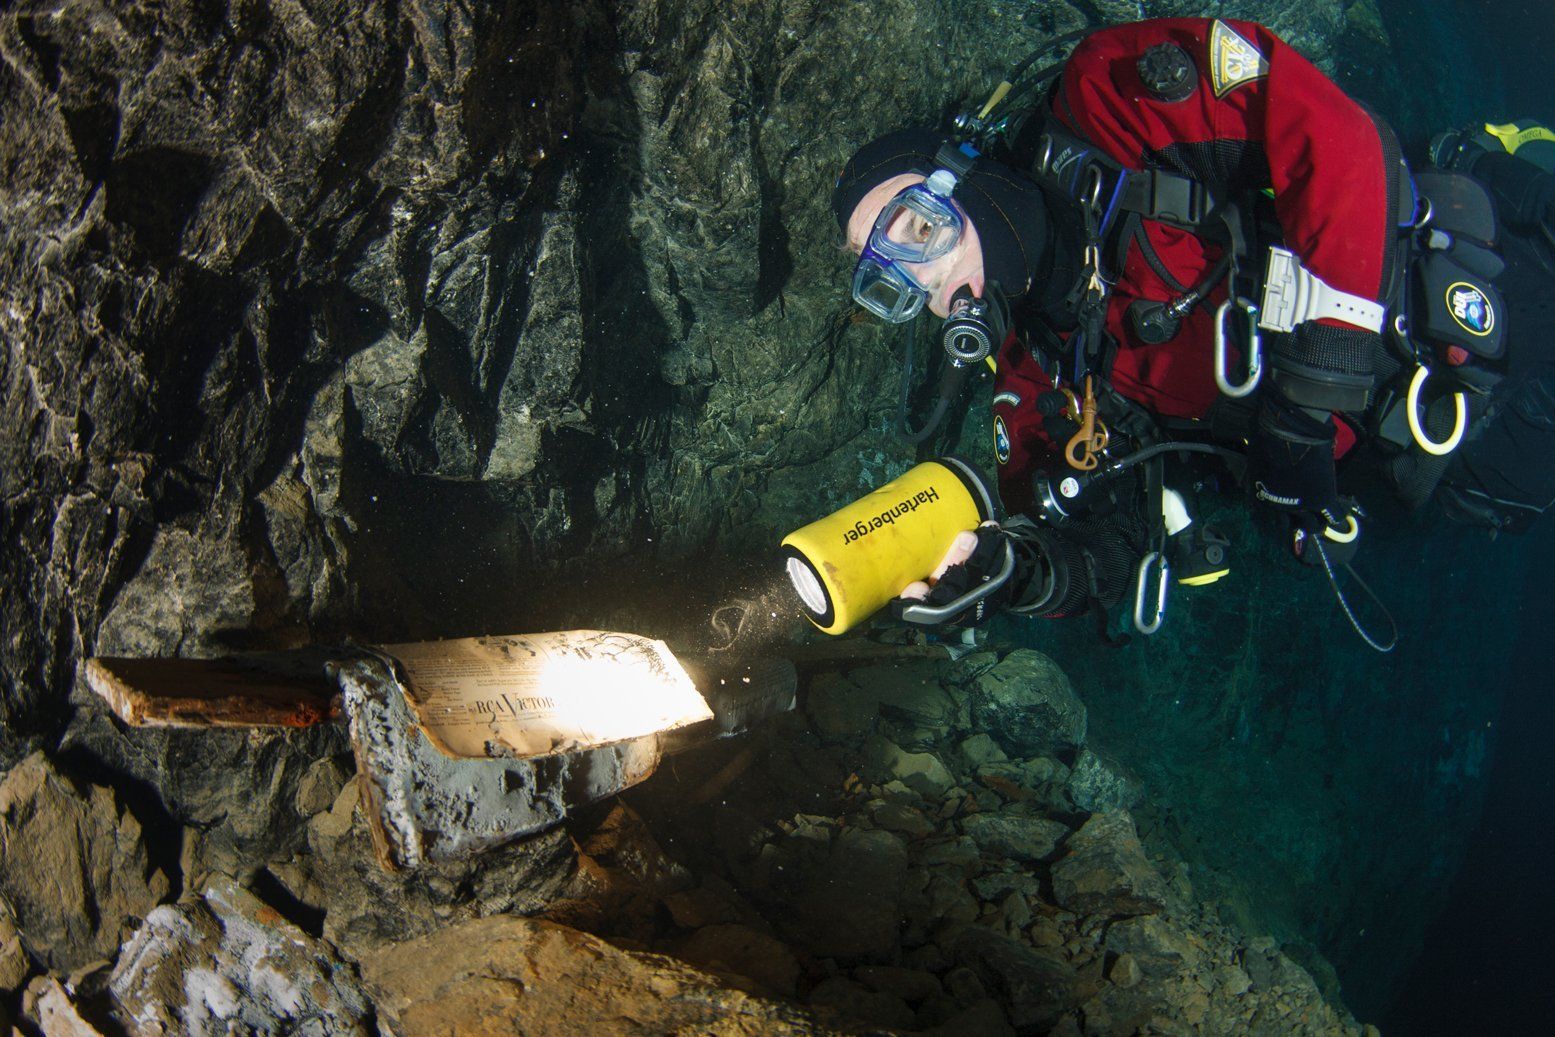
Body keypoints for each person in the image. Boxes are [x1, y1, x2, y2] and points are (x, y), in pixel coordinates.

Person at [830, 18, 1539, 638]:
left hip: (1487, 283)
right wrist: (1013, 576)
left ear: (960, 174)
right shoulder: (1033, 375)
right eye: (893, 285)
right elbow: (1089, 545)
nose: (925, 281)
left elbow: (1334, 135)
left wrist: (1312, 392)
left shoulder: (1106, 96)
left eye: (916, 229)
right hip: (1448, 460)